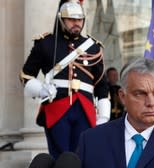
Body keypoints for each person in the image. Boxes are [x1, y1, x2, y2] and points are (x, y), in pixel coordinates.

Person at [20, 0, 110, 159]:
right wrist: (40, 90)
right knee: (59, 157)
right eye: (71, 20)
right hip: (57, 107)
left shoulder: (93, 47)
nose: (77, 23)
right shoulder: (45, 44)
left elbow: (102, 85)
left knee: (83, 156)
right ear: (61, 19)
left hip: (85, 109)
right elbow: (26, 75)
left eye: (80, 20)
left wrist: (103, 118)